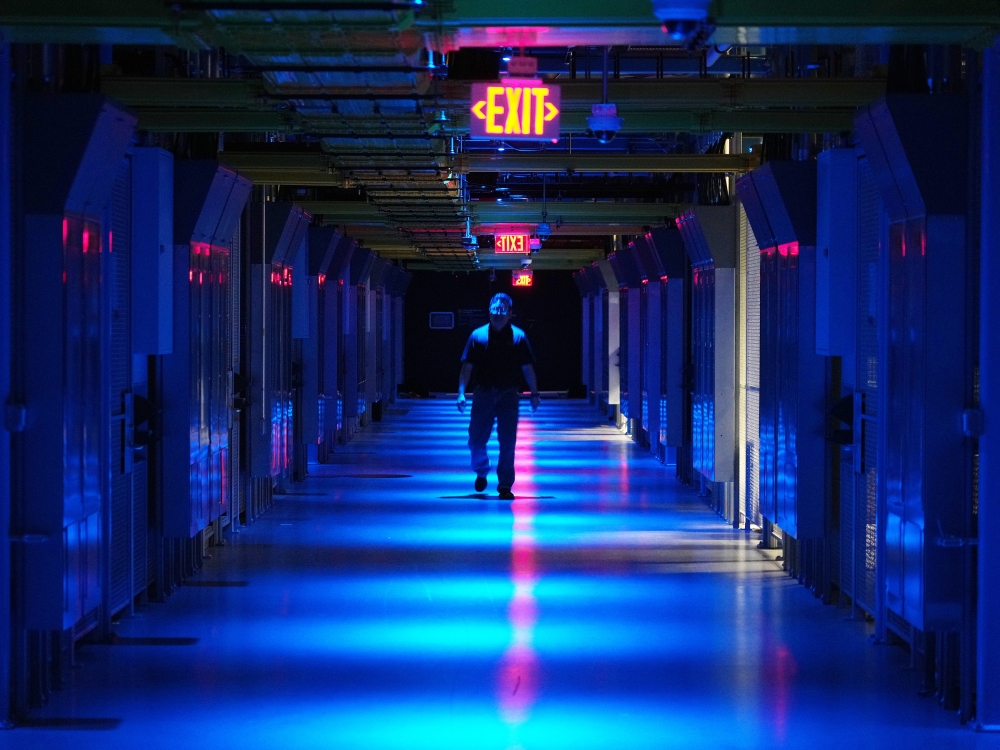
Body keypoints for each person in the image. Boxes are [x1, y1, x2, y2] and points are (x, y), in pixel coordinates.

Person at [457, 293, 540, 500]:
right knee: (476, 439)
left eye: (503, 310)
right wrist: (461, 392)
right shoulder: (478, 335)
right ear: (489, 311)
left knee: (507, 441)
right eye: (495, 309)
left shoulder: (518, 337)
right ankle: (481, 469)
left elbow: (527, 368)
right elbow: (467, 367)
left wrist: (534, 393)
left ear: (511, 313)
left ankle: (505, 485)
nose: (498, 314)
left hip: (509, 394)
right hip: (483, 392)